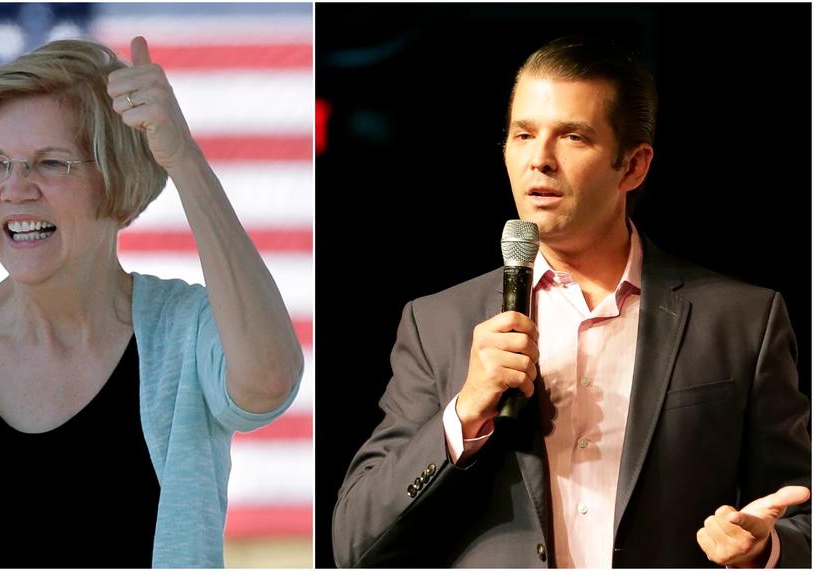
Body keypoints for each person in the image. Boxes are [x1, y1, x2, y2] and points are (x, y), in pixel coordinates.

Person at [332, 36, 810, 568]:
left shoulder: (741, 320)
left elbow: (799, 510)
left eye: (573, 137)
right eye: (523, 135)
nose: (539, 160)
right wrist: (465, 412)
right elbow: (355, 541)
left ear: (632, 166)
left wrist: (766, 547)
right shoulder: (438, 323)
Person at [0, 36, 303, 568]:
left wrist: (182, 158)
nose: (16, 188)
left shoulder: (184, 330)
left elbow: (267, 386)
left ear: (118, 183)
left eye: (50, 163)